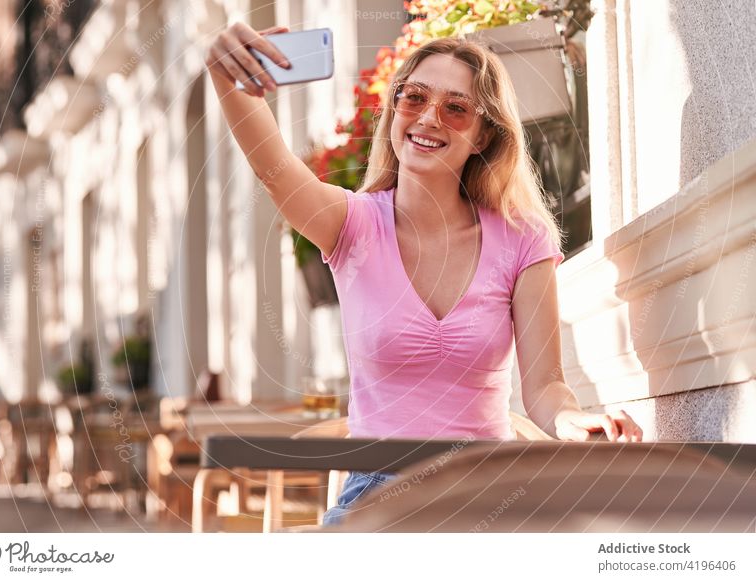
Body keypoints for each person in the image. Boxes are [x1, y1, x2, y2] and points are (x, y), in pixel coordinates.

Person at [205, 23, 644, 527]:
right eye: (414, 98)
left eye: (456, 107)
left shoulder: (524, 239)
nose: (429, 117)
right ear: (394, 111)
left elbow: (545, 388)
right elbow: (274, 168)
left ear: (484, 135)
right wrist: (229, 75)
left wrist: (576, 422)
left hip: (487, 491)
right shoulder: (352, 225)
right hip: (379, 493)